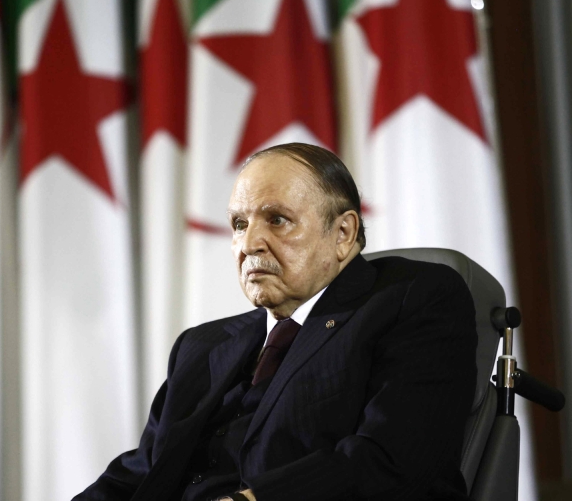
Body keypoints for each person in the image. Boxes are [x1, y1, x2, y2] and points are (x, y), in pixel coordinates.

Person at [75, 143, 477, 501]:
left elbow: (389, 460)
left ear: (343, 233)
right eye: (239, 224)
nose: (250, 244)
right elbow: (145, 469)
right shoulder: (203, 345)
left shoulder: (412, 299)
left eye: (278, 220)